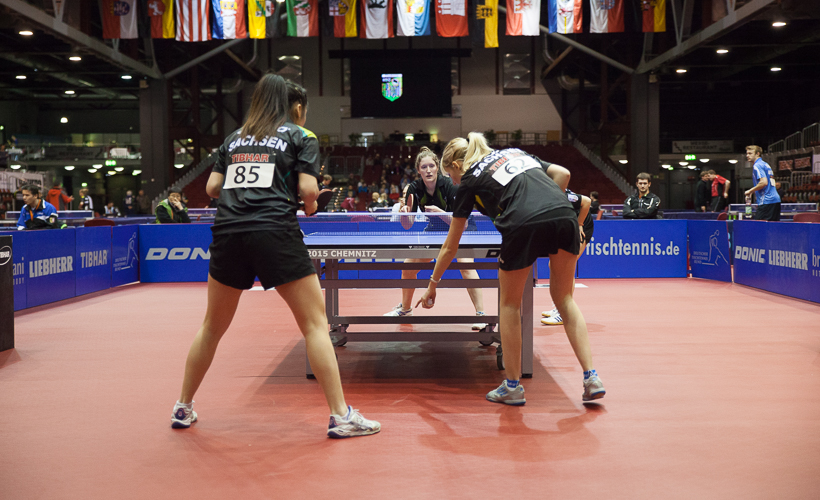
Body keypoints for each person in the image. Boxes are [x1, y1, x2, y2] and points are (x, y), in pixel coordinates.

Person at [171, 74, 379, 438]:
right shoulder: (301, 136)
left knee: (211, 327)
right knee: (315, 324)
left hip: (228, 235)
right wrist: (309, 203)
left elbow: (212, 187)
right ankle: (341, 415)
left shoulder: (233, 139)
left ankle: (183, 406)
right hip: (273, 232)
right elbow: (308, 189)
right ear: (293, 107)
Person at [416, 134, 605, 405]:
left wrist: (432, 284)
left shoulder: (470, 179)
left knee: (509, 303)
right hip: (564, 216)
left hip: (521, 223)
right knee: (564, 298)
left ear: (458, 165)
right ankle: (591, 377)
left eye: (450, 174)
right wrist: (546, 206)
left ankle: (513, 386)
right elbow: (563, 174)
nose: (453, 181)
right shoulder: (516, 152)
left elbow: (450, 245)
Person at [384, 147, 487, 331]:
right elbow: (408, 225)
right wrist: (404, 215)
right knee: (409, 266)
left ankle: (481, 315)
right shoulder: (414, 189)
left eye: (432, 166)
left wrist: (441, 213)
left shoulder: (450, 185)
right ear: (418, 170)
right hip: (434, 231)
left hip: (462, 229)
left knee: (466, 266)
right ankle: (406, 309)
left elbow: (461, 224)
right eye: (424, 167)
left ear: (437, 168)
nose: (428, 170)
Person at [542, 188, 593, 326]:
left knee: (566, 267)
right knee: (553, 265)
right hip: (567, 225)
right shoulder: (541, 193)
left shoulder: (562, 194)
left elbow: (587, 202)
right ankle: (559, 307)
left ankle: (563, 313)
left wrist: (580, 224)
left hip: (581, 227)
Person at [744, 145, 781, 221]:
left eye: (750, 153)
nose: (747, 156)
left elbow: (764, 182)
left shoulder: (757, 165)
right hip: (775, 200)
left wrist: (749, 191)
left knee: (759, 229)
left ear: (757, 154)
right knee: (772, 229)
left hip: (766, 201)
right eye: (747, 153)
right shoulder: (765, 164)